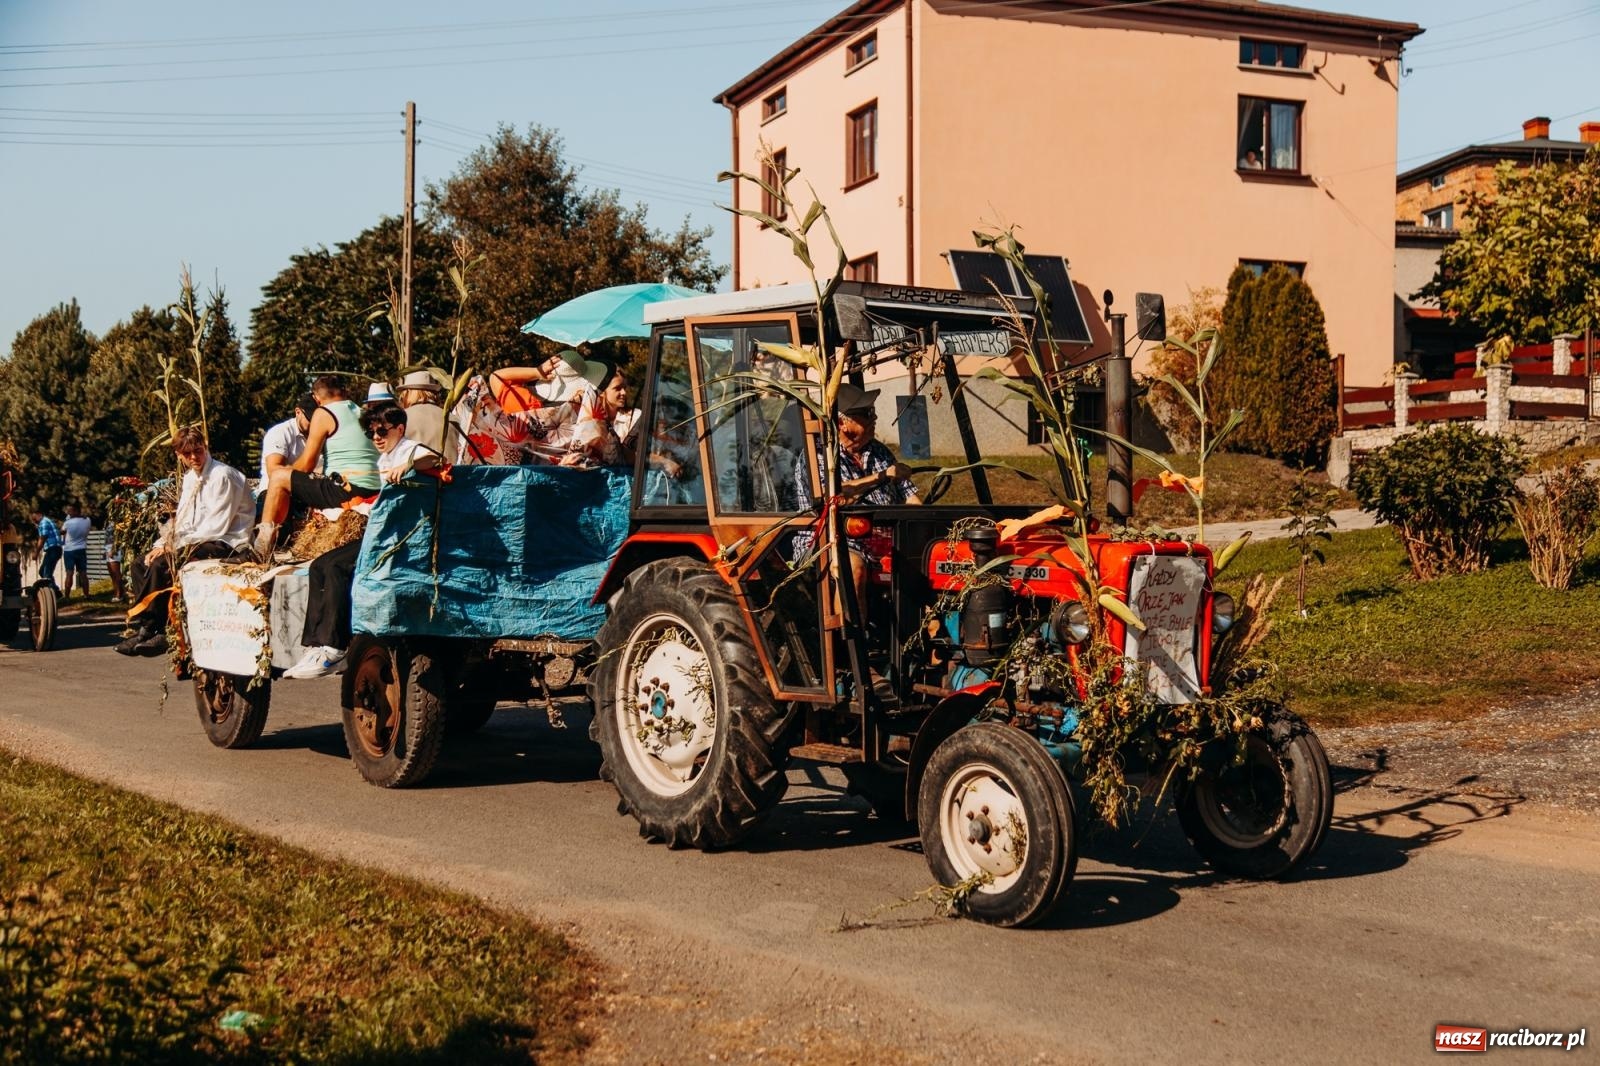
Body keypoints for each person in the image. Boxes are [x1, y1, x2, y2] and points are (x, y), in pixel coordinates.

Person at [284, 404, 439, 679]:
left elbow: (435, 459)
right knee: (319, 565)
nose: (376, 437)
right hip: (381, 534)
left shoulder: (408, 449)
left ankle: (334, 645)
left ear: (399, 429)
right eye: (372, 433)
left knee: (337, 568)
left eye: (382, 431)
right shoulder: (384, 458)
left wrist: (408, 465)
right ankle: (314, 645)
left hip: (401, 540)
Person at [116, 426, 253, 656]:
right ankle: (148, 628)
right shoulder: (191, 478)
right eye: (187, 454)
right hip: (197, 538)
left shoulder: (223, 476)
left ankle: (160, 631)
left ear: (205, 447)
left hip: (226, 541)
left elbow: (215, 526)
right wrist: (162, 544)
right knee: (141, 563)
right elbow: (186, 520)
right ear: (179, 455)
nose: (193, 458)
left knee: (163, 565)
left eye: (197, 451)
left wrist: (173, 547)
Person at [792, 382, 920, 605]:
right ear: (842, 422)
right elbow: (836, 497)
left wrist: (923, 527)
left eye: (873, 411)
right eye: (866, 413)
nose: (875, 418)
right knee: (853, 567)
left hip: (884, 541)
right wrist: (882, 476)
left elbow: (910, 497)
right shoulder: (818, 455)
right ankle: (850, 637)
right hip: (833, 541)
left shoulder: (879, 451)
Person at [255, 376, 382, 558]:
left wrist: (287, 473)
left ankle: (261, 550)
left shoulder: (323, 413)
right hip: (373, 488)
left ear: (316, 399)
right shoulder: (363, 412)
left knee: (278, 477)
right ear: (345, 392)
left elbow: (307, 464)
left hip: (346, 489)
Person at [258, 392, 314, 499]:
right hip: (274, 493)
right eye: (310, 419)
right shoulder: (280, 432)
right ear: (298, 412)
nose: (315, 424)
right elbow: (274, 471)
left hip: (305, 493)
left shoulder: (321, 434)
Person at [397, 370, 450, 455]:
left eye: (405, 393)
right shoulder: (452, 417)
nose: (403, 398)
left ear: (410, 392)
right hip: (452, 467)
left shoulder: (402, 417)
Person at [61, 502, 91, 599]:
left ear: (76, 511)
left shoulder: (67, 523)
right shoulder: (87, 520)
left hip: (69, 550)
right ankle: (86, 595)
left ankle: (67, 596)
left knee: (69, 573)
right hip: (81, 548)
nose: (68, 513)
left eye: (70, 511)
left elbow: (62, 532)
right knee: (83, 573)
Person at [30, 508, 62, 591]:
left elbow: (43, 537)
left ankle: (52, 593)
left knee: (46, 573)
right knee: (42, 571)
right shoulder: (46, 521)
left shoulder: (44, 522)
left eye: (33, 517)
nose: (33, 520)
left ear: (38, 514)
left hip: (53, 549)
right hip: (53, 549)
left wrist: (36, 553)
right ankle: (55, 589)